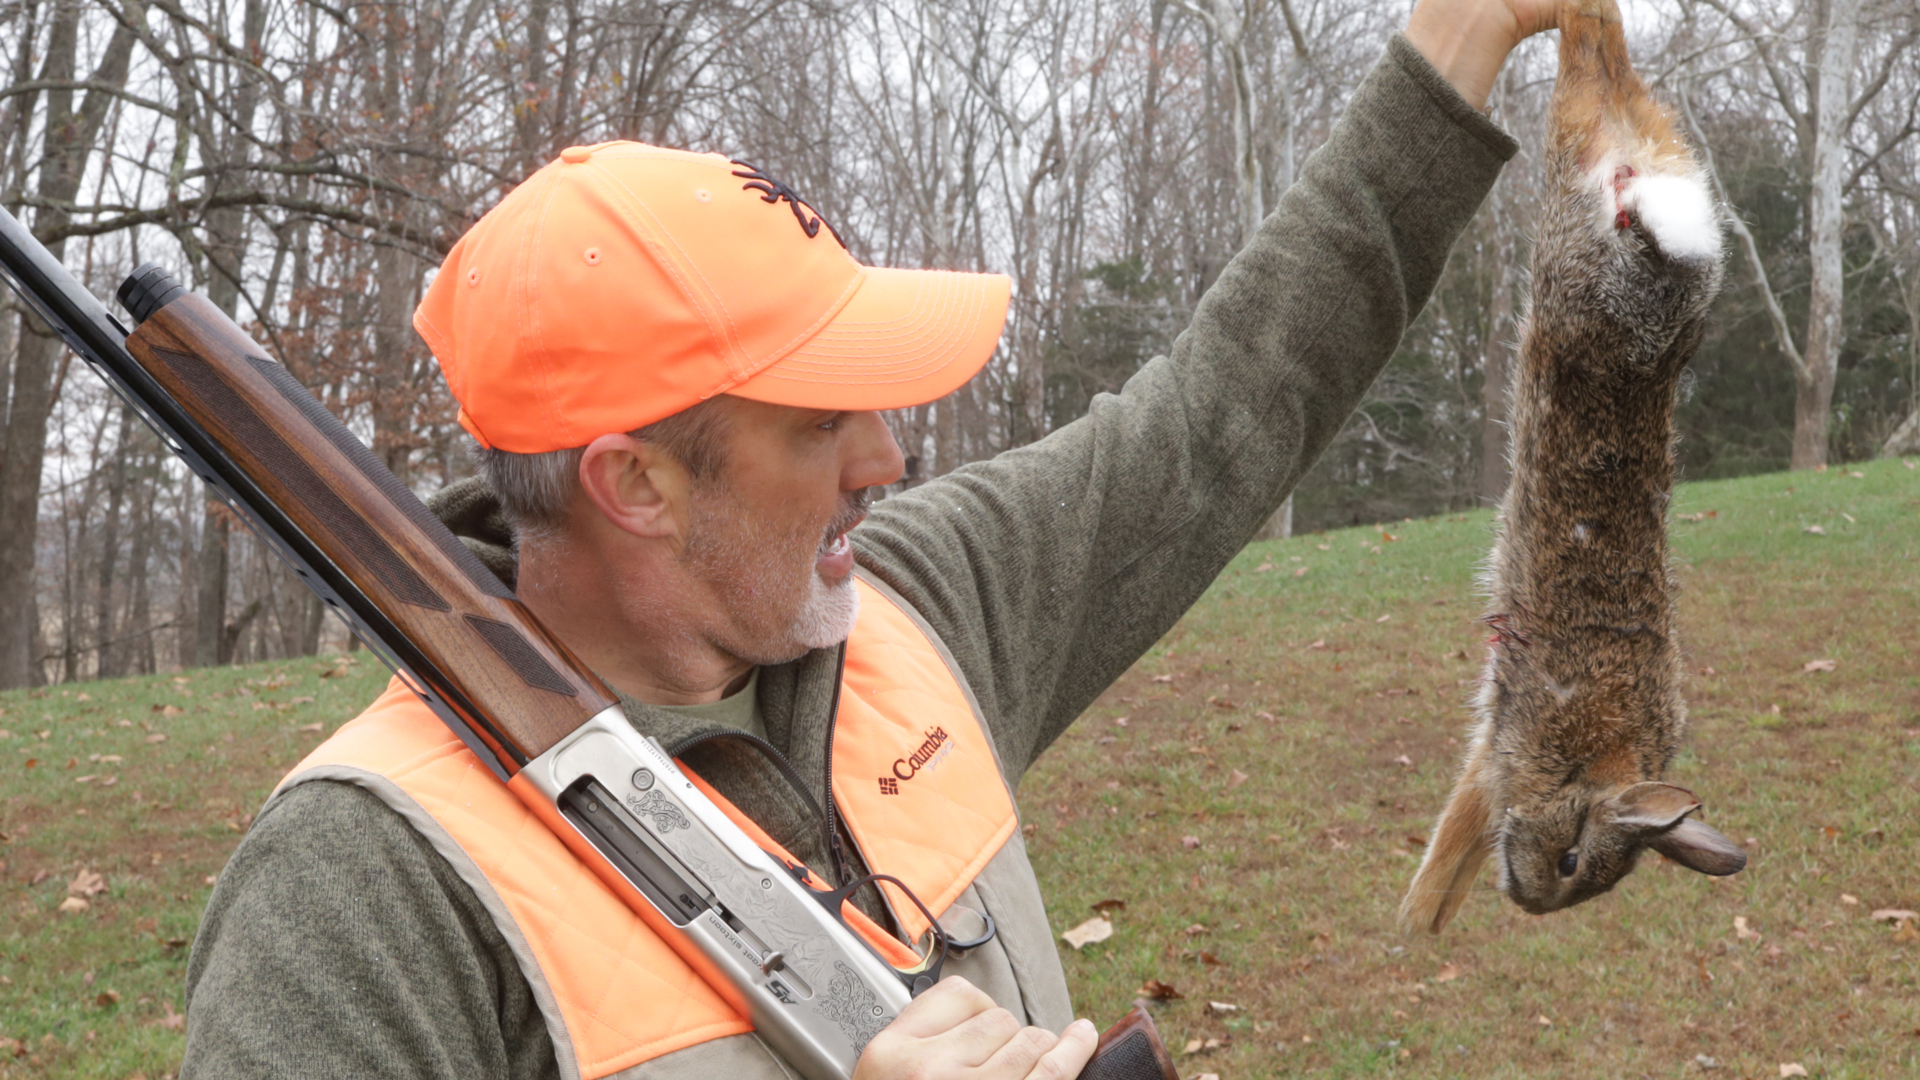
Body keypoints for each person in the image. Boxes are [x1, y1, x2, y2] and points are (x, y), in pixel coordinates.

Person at [181, 1, 1558, 1077]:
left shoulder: (921, 607)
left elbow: (1224, 410)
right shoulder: (363, 886)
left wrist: (1461, 37)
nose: (886, 462)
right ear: (637, 485)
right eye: (817, 425)